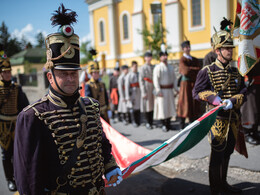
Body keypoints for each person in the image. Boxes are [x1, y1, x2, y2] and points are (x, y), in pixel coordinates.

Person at [13, 4, 122, 195]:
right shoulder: (32, 116)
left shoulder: (91, 106)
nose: (71, 78)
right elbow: (28, 177)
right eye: (64, 73)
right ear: (50, 76)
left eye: (74, 73)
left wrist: (109, 165)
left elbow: (101, 143)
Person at [193, 30, 246, 194]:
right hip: (217, 121)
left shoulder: (235, 71)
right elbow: (196, 92)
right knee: (217, 153)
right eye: (226, 48)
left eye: (231, 48)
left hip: (233, 119)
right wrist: (213, 99)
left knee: (228, 151)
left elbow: (243, 89)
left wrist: (233, 100)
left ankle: (223, 184)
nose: (230, 51)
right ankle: (215, 188)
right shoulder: (207, 70)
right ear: (217, 50)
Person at [0, 50, 29, 191]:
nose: (7, 74)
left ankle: (18, 176)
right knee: (6, 153)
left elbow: (24, 106)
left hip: (16, 124)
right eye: (5, 72)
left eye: (9, 72)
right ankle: (9, 179)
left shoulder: (16, 87)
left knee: (17, 152)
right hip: (3, 127)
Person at [177, 40, 201, 129]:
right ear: (183, 49)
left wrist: (191, 69)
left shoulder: (194, 59)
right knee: (184, 102)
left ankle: (192, 124)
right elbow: (185, 70)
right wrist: (193, 70)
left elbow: (199, 70)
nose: (187, 48)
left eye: (188, 47)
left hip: (193, 84)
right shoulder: (182, 59)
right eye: (186, 47)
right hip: (185, 84)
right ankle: (181, 125)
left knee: (193, 102)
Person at [153, 51, 178, 132]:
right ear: (160, 57)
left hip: (169, 90)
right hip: (162, 90)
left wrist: (175, 89)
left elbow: (174, 79)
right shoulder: (158, 67)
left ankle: (169, 124)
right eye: (163, 56)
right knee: (162, 108)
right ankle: (163, 124)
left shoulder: (170, 67)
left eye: (166, 55)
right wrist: (158, 90)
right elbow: (155, 80)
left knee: (170, 107)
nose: (165, 57)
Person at [241, 61, 260, 145]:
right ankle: (247, 134)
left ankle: (254, 131)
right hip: (251, 84)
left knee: (257, 111)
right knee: (249, 111)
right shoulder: (249, 52)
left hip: (258, 85)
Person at [139, 51, 154, 129]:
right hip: (146, 87)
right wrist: (143, 92)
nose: (149, 58)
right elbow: (141, 80)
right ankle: (148, 122)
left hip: (152, 87)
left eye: (150, 57)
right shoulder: (143, 67)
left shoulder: (153, 66)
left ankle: (151, 121)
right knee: (147, 106)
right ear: (145, 58)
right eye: (147, 57)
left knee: (152, 105)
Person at [125, 61, 141, 127]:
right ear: (132, 67)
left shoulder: (139, 74)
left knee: (138, 108)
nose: (135, 68)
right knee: (132, 108)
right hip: (132, 93)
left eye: (136, 67)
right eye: (134, 67)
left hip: (138, 93)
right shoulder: (129, 75)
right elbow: (126, 86)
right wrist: (127, 96)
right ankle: (133, 121)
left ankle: (138, 121)